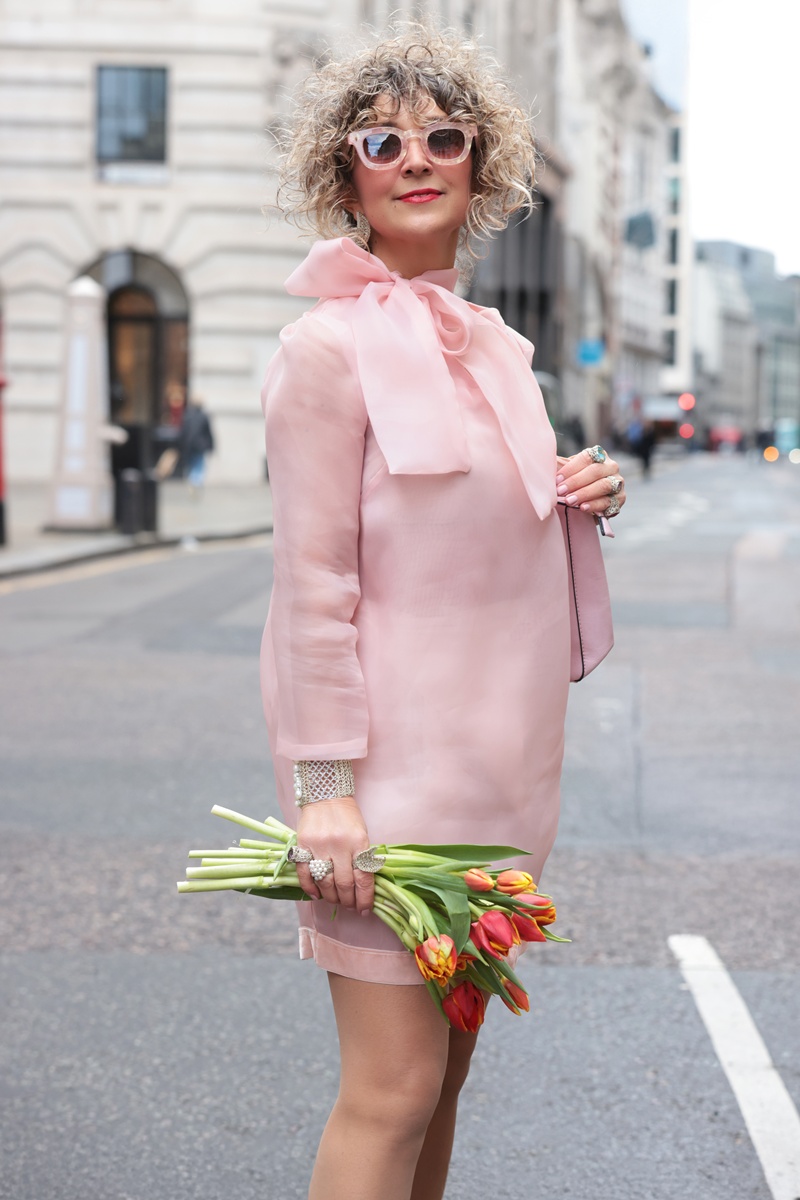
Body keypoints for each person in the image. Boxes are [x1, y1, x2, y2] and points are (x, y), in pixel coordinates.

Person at [260, 24, 627, 1200]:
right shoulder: (323, 351)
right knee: (388, 1093)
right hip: (387, 794)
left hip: (499, 785)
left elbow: (483, 548)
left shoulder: (499, 355)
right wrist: (324, 793)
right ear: (345, 171)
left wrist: (579, 494)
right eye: (383, 139)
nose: (414, 158)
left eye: (443, 137)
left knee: (443, 1088)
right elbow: (310, 589)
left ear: (480, 165)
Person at [179, 398, 214, 491]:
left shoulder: (187, 415)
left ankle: (192, 481)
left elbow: (183, 432)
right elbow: (208, 432)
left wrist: (182, 444)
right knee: (199, 465)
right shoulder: (203, 416)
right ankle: (196, 482)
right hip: (200, 445)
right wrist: (211, 446)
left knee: (191, 464)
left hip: (189, 445)